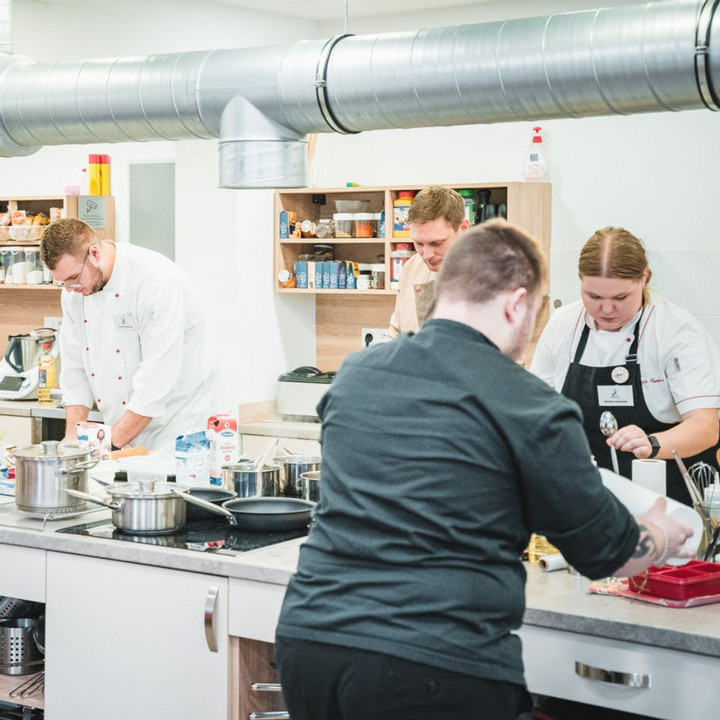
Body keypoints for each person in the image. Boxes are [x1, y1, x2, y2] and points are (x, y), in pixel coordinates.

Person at [275, 219, 694, 720]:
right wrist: (663, 533)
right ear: (516, 305)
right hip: (434, 665)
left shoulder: (357, 374)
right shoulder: (529, 405)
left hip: (310, 644)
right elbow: (608, 553)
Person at [530, 226, 720, 506]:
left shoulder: (676, 330)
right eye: (594, 297)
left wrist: (651, 444)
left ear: (644, 277)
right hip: (592, 496)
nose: (606, 310)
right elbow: (537, 410)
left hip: (672, 497)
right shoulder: (563, 324)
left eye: (620, 298)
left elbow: (705, 426)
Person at [40, 218, 224, 451]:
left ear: (94, 253)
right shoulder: (74, 293)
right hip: (126, 430)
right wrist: (72, 440)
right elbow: (75, 369)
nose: (69, 289)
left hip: (180, 430)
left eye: (73, 278)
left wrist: (109, 446)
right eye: (62, 282)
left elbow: (156, 380)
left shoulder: (157, 283)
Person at [386, 185, 469, 339]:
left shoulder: (496, 274)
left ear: (463, 228)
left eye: (436, 243)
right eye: (419, 244)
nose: (427, 255)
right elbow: (396, 333)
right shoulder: (411, 268)